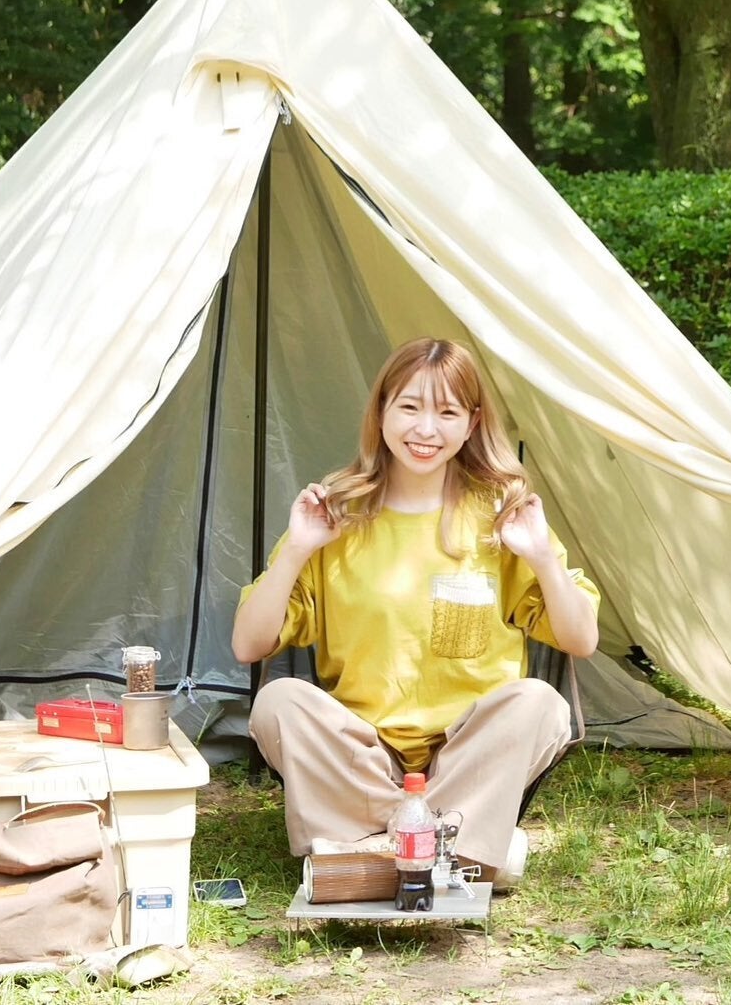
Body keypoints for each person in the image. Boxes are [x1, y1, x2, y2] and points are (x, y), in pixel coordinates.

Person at [233, 337, 601, 884]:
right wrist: (297, 549)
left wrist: (543, 557)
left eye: (447, 412)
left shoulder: (499, 516)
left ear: (472, 423)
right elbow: (248, 645)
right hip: (364, 756)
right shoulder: (337, 514)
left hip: (467, 753)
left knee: (540, 703)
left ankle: (365, 854)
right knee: (278, 701)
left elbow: (581, 639)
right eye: (409, 407)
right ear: (381, 411)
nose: (426, 430)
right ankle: (460, 849)